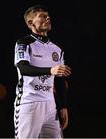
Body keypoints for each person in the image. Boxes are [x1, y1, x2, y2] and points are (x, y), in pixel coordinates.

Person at [13, 5, 72, 138]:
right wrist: (51, 70)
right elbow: (23, 68)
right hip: (29, 103)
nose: (47, 18)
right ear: (30, 22)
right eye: (42, 16)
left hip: (50, 105)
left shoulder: (57, 49)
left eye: (48, 16)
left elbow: (59, 79)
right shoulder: (24, 43)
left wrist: (63, 106)